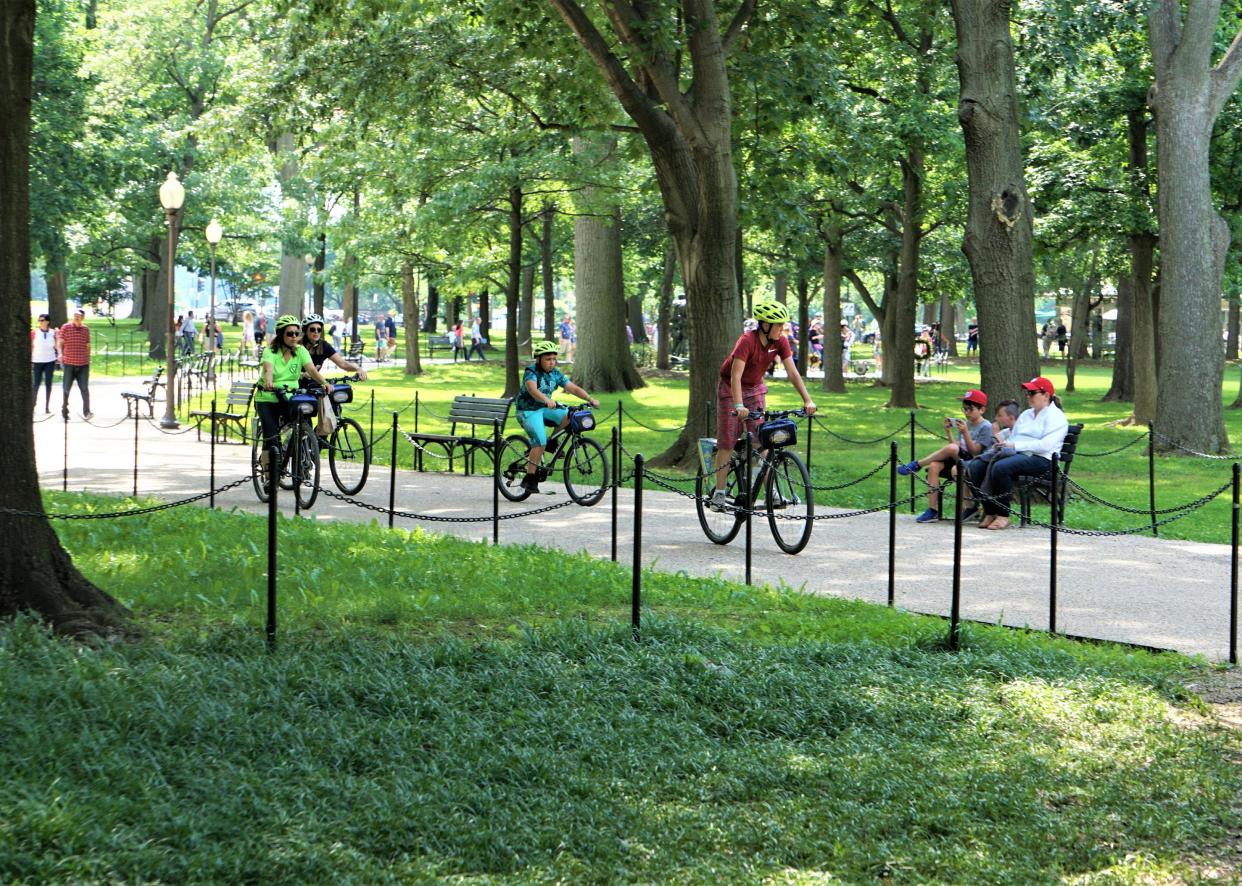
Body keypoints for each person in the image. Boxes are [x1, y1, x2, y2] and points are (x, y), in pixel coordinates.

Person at [710, 301, 818, 511]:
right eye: (778, 324)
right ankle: (719, 493)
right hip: (731, 388)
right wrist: (739, 404)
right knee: (728, 440)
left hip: (756, 388)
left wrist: (807, 399)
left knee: (763, 439)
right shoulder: (747, 341)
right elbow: (735, 375)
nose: (782, 328)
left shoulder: (780, 341)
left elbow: (793, 372)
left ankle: (771, 492)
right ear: (765, 325)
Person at [977, 376, 1069, 531]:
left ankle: (1003, 515)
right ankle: (989, 511)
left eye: (1032, 393)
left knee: (1001, 467)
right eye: (1027, 393)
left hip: (1043, 461)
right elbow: (1013, 436)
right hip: (1020, 455)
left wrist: (1014, 445)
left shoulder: (1056, 417)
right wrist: (1005, 444)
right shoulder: (1026, 414)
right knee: (978, 465)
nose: (1028, 396)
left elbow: (1045, 446)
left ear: (1046, 395)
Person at [253, 315, 336, 473]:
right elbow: (268, 369)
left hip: (289, 397)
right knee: (271, 436)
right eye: (289, 334)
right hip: (267, 398)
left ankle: (299, 460)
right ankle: (269, 474)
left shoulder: (300, 350)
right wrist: (269, 382)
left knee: (300, 424)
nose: (294, 337)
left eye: (296, 334)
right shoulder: (270, 351)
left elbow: (311, 369)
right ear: (281, 335)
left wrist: (324, 383)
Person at [514, 340, 599, 493]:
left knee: (569, 415)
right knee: (539, 441)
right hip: (528, 410)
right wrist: (546, 399)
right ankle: (530, 478)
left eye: (554, 359)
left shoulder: (555, 373)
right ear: (538, 359)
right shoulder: (531, 372)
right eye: (548, 359)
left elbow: (572, 388)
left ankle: (552, 443)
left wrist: (589, 399)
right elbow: (532, 389)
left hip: (545, 407)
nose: (552, 362)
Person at [898, 390, 995, 522]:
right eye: (964, 409)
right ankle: (932, 510)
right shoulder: (965, 424)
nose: (966, 413)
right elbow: (954, 447)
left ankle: (917, 464)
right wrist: (949, 432)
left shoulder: (986, 427)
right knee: (934, 466)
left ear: (981, 410)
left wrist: (965, 433)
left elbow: (975, 452)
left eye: (970, 409)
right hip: (960, 457)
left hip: (975, 461)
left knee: (953, 450)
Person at [300, 313, 368, 444]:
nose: (316, 332)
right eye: (312, 329)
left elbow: (343, 363)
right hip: (297, 386)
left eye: (319, 329)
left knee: (331, 407)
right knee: (304, 420)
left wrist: (358, 369)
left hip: (315, 384)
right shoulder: (298, 347)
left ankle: (317, 441)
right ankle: (300, 442)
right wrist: (301, 374)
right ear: (305, 331)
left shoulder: (323, 346)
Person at [956, 398, 1020, 523]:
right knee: (975, 466)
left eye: (1000, 415)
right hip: (991, 460)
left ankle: (998, 513)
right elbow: (994, 448)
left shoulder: (1018, 430)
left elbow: (1010, 450)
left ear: (1011, 417)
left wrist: (995, 434)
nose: (996, 418)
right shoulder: (1006, 431)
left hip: (1009, 463)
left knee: (992, 468)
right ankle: (988, 511)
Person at [57, 308, 92, 419]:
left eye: (79, 316)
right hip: (69, 363)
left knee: (84, 388)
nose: (76, 317)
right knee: (66, 388)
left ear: (82, 318)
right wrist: (59, 353)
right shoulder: (66, 327)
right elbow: (60, 342)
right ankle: (64, 411)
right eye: (75, 315)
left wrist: (88, 358)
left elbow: (87, 345)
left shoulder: (86, 329)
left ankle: (87, 412)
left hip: (83, 364)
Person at [31, 313, 58, 414]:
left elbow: (56, 345)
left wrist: (59, 354)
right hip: (37, 361)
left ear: (47, 321)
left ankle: (47, 406)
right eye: (39, 320)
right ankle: (33, 405)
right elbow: (31, 346)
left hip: (50, 360)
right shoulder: (34, 332)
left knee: (48, 383)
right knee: (36, 384)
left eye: (42, 320)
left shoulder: (53, 332)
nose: (41, 322)